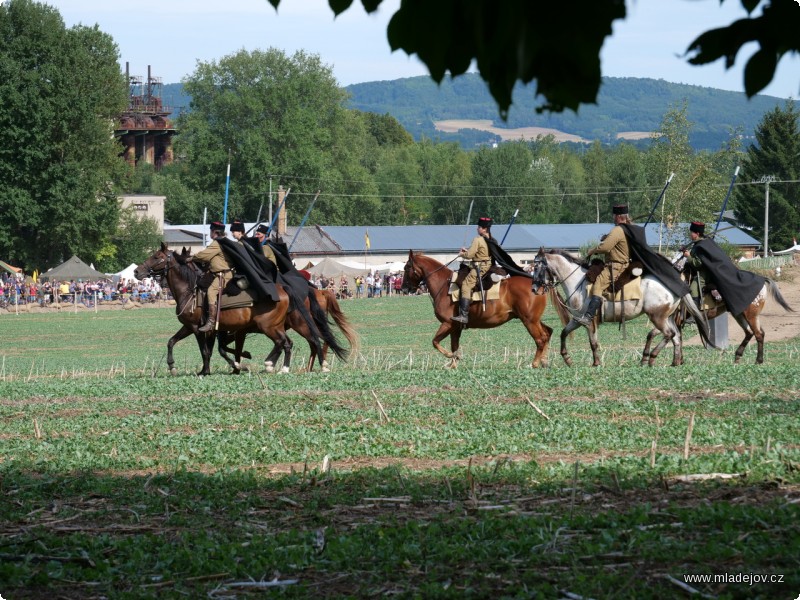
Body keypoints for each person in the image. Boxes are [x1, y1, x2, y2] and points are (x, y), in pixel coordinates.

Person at [682, 221, 765, 316]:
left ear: (697, 234)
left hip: (705, 272)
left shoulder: (701, 246)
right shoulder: (703, 242)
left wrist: (688, 256)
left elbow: (698, 264)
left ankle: (694, 315)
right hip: (703, 269)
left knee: (693, 287)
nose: (690, 235)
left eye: (691, 232)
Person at [577, 204, 632, 326]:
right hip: (622, 263)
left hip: (616, 266)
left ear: (618, 217)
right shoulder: (628, 228)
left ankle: (588, 316)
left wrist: (592, 250)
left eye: (614, 215)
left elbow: (606, 247)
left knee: (597, 285)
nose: (613, 217)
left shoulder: (617, 230)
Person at [190, 221, 234, 332]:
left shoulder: (217, 243)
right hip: (217, 273)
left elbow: (204, 256)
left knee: (211, 291)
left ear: (214, 232)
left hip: (223, 275)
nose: (210, 233)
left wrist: (191, 258)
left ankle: (210, 322)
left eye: (210, 231)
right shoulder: (223, 242)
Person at [452, 216, 494, 324]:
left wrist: (462, 254)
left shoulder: (478, 239)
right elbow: (479, 252)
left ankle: (464, 315)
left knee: (466, 285)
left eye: (479, 227)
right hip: (488, 265)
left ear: (484, 229)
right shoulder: (491, 239)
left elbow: (470, 254)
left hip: (480, 267)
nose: (477, 229)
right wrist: (468, 250)